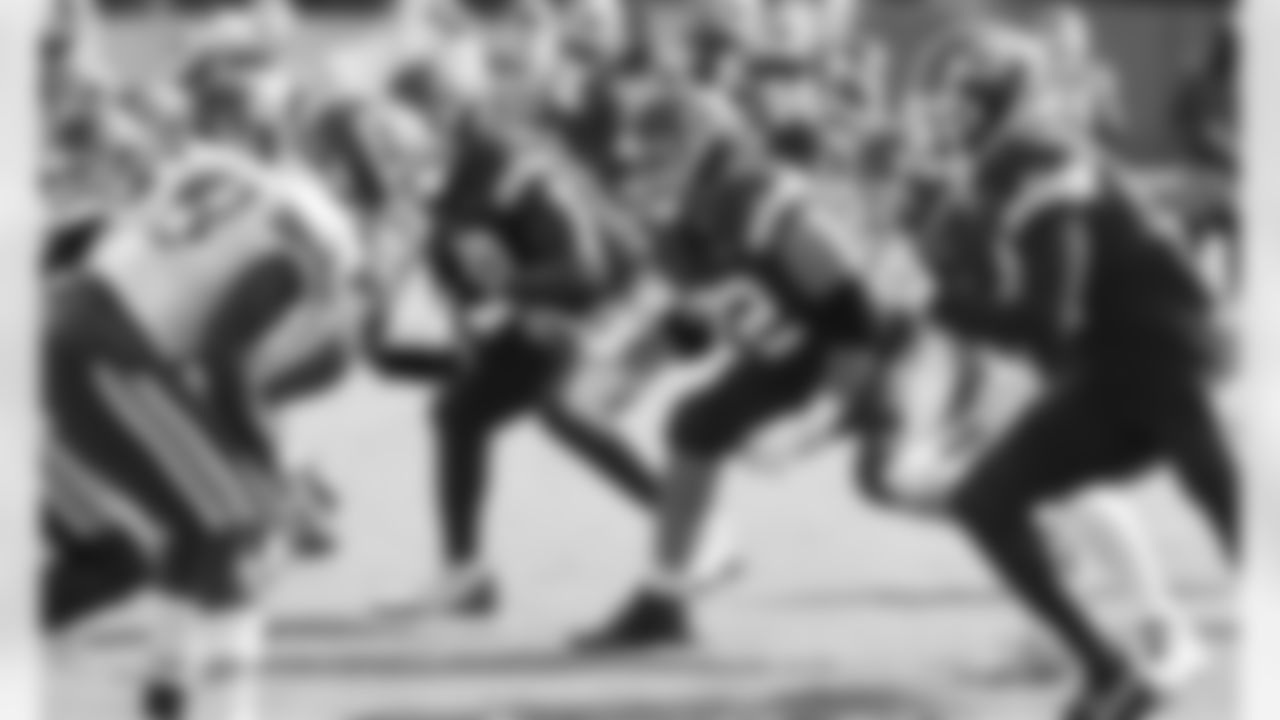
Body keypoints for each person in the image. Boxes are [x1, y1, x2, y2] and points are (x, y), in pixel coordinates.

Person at [909, 22, 1235, 720]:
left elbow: (1048, 317)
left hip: (1164, 356)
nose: (943, 117)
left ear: (994, 95)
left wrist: (938, 303)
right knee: (985, 500)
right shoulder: (1005, 160)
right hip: (1116, 366)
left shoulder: (1031, 154)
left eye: (955, 100)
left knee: (1237, 519)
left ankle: (1142, 647)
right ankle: (1111, 673)